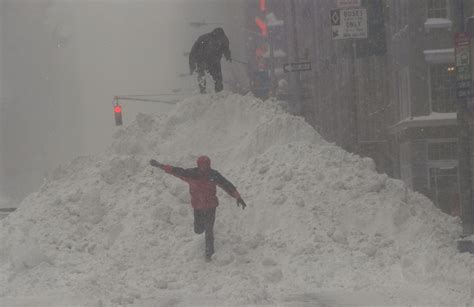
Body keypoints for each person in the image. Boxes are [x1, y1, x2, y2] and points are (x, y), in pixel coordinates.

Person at [150, 155, 246, 261]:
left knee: (209, 230)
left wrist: (238, 197)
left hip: (210, 207)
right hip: (198, 207)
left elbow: (227, 185)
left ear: (209, 165)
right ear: (198, 165)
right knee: (198, 230)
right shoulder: (191, 174)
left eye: (206, 165)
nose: (204, 167)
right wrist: (160, 166)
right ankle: (203, 229)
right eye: (202, 165)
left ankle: (209, 254)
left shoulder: (213, 175)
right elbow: (175, 170)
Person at [189, 27, 232, 94]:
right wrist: (192, 65)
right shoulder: (203, 38)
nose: (218, 40)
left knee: (218, 77)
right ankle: (203, 90)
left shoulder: (223, 39)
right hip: (202, 59)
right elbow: (193, 52)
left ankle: (218, 92)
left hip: (214, 61)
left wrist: (228, 55)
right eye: (217, 38)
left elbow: (226, 47)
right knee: (202, 74)